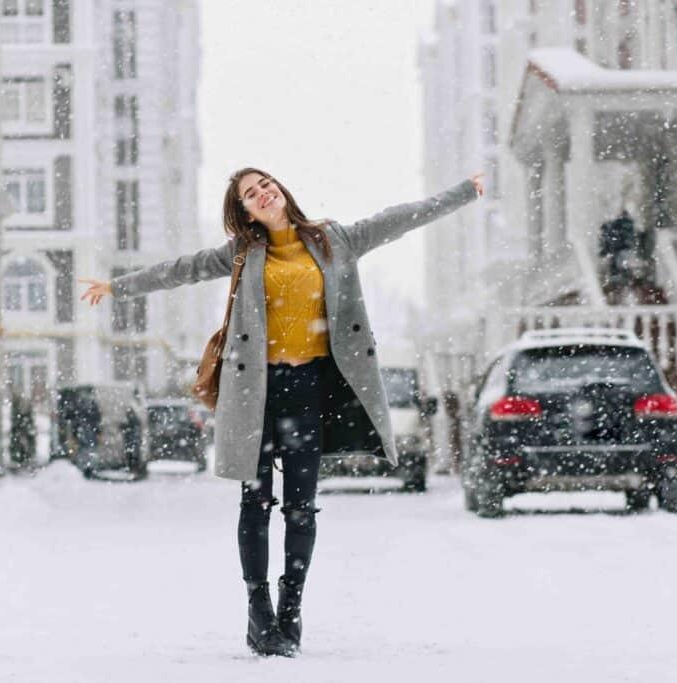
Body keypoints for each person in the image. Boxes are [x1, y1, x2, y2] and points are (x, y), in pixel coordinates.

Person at [80, 168, 483, 657]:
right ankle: (259, 611)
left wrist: (464, 192)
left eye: (264, 184)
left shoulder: (335, 240)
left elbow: (399, 218)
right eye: (250, 194)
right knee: (255, 502)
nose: (261, 194)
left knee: (300, 506)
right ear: (245, 212)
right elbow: (180, 269)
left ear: (281, 190)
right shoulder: (243, 254)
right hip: (256, 389)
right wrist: (117, 286)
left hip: (310, 389)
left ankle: (291, 612)